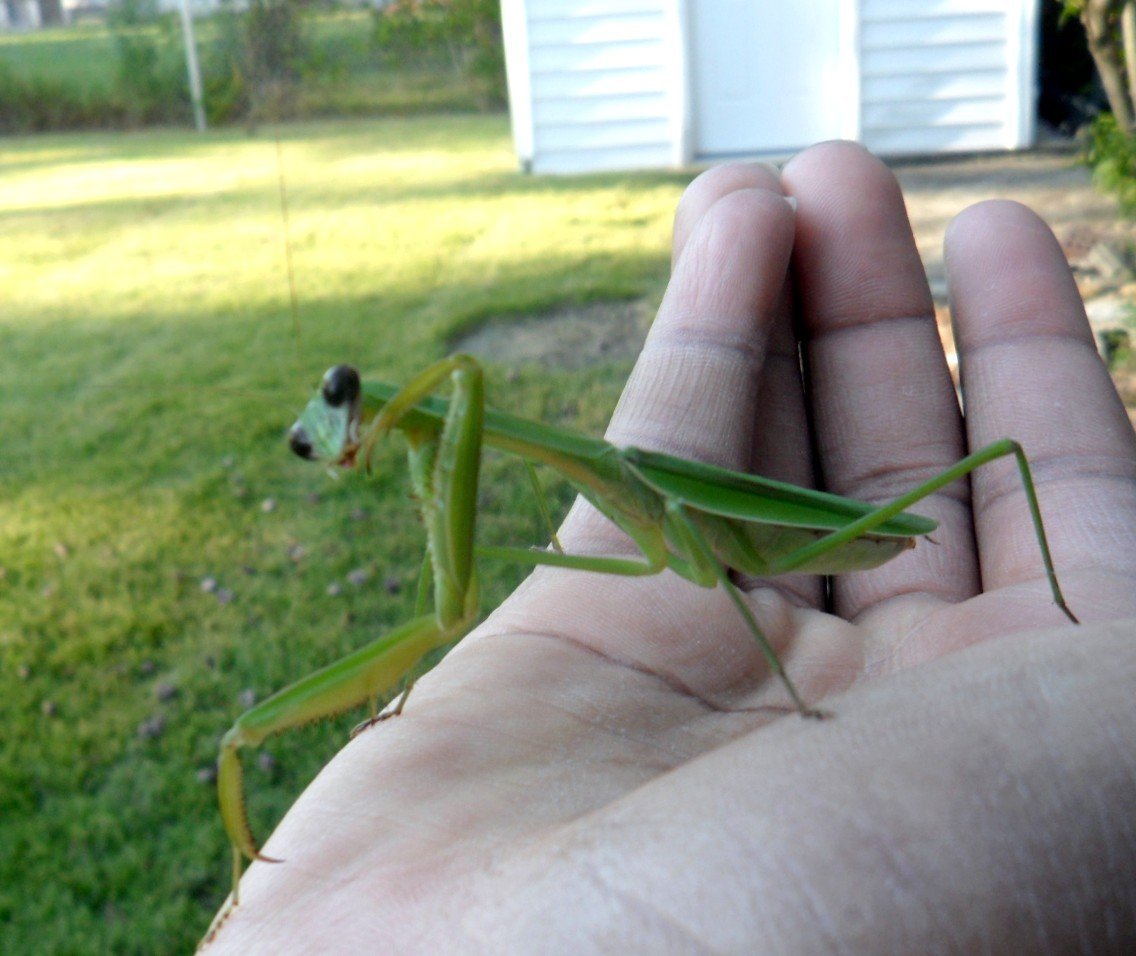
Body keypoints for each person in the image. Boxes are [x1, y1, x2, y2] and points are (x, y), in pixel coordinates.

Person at [204, 142, 1136, 952]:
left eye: (345, 415)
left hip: (824, 536)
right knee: (484, 570)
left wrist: (808, 701)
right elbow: (449, 587)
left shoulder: (514, 422)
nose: (336, 445)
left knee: (1006, 450)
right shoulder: (535, 469)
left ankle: (1055, 594)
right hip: (738, 539)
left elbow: (464, 378)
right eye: (319, 440)